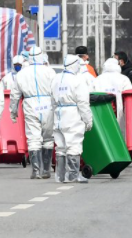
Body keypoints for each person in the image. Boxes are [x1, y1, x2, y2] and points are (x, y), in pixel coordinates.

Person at [10, 46, 56, 179]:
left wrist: (13, 112)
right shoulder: (50, 72)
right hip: (48, 104)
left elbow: (14, 95)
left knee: (33, 137)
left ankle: (36, 170)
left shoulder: (21, 74)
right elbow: (56, 90)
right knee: (48, 138)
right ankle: (46, 170)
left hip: (30, 105)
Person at [51, 55, 93, 184]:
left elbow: (52, 99)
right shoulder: (78, 80)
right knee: (74, 144)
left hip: (58, 113)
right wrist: (88, 120)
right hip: (72, 114)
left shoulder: (56, 79)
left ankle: (60, 175)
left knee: (61, 146)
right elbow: (83, 103)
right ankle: (73, 175)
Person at [94, 57, 132, 129]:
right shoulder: (124, 79)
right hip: (119, 113)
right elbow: (130, 98)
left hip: (101, 112)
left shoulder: (97, 80)